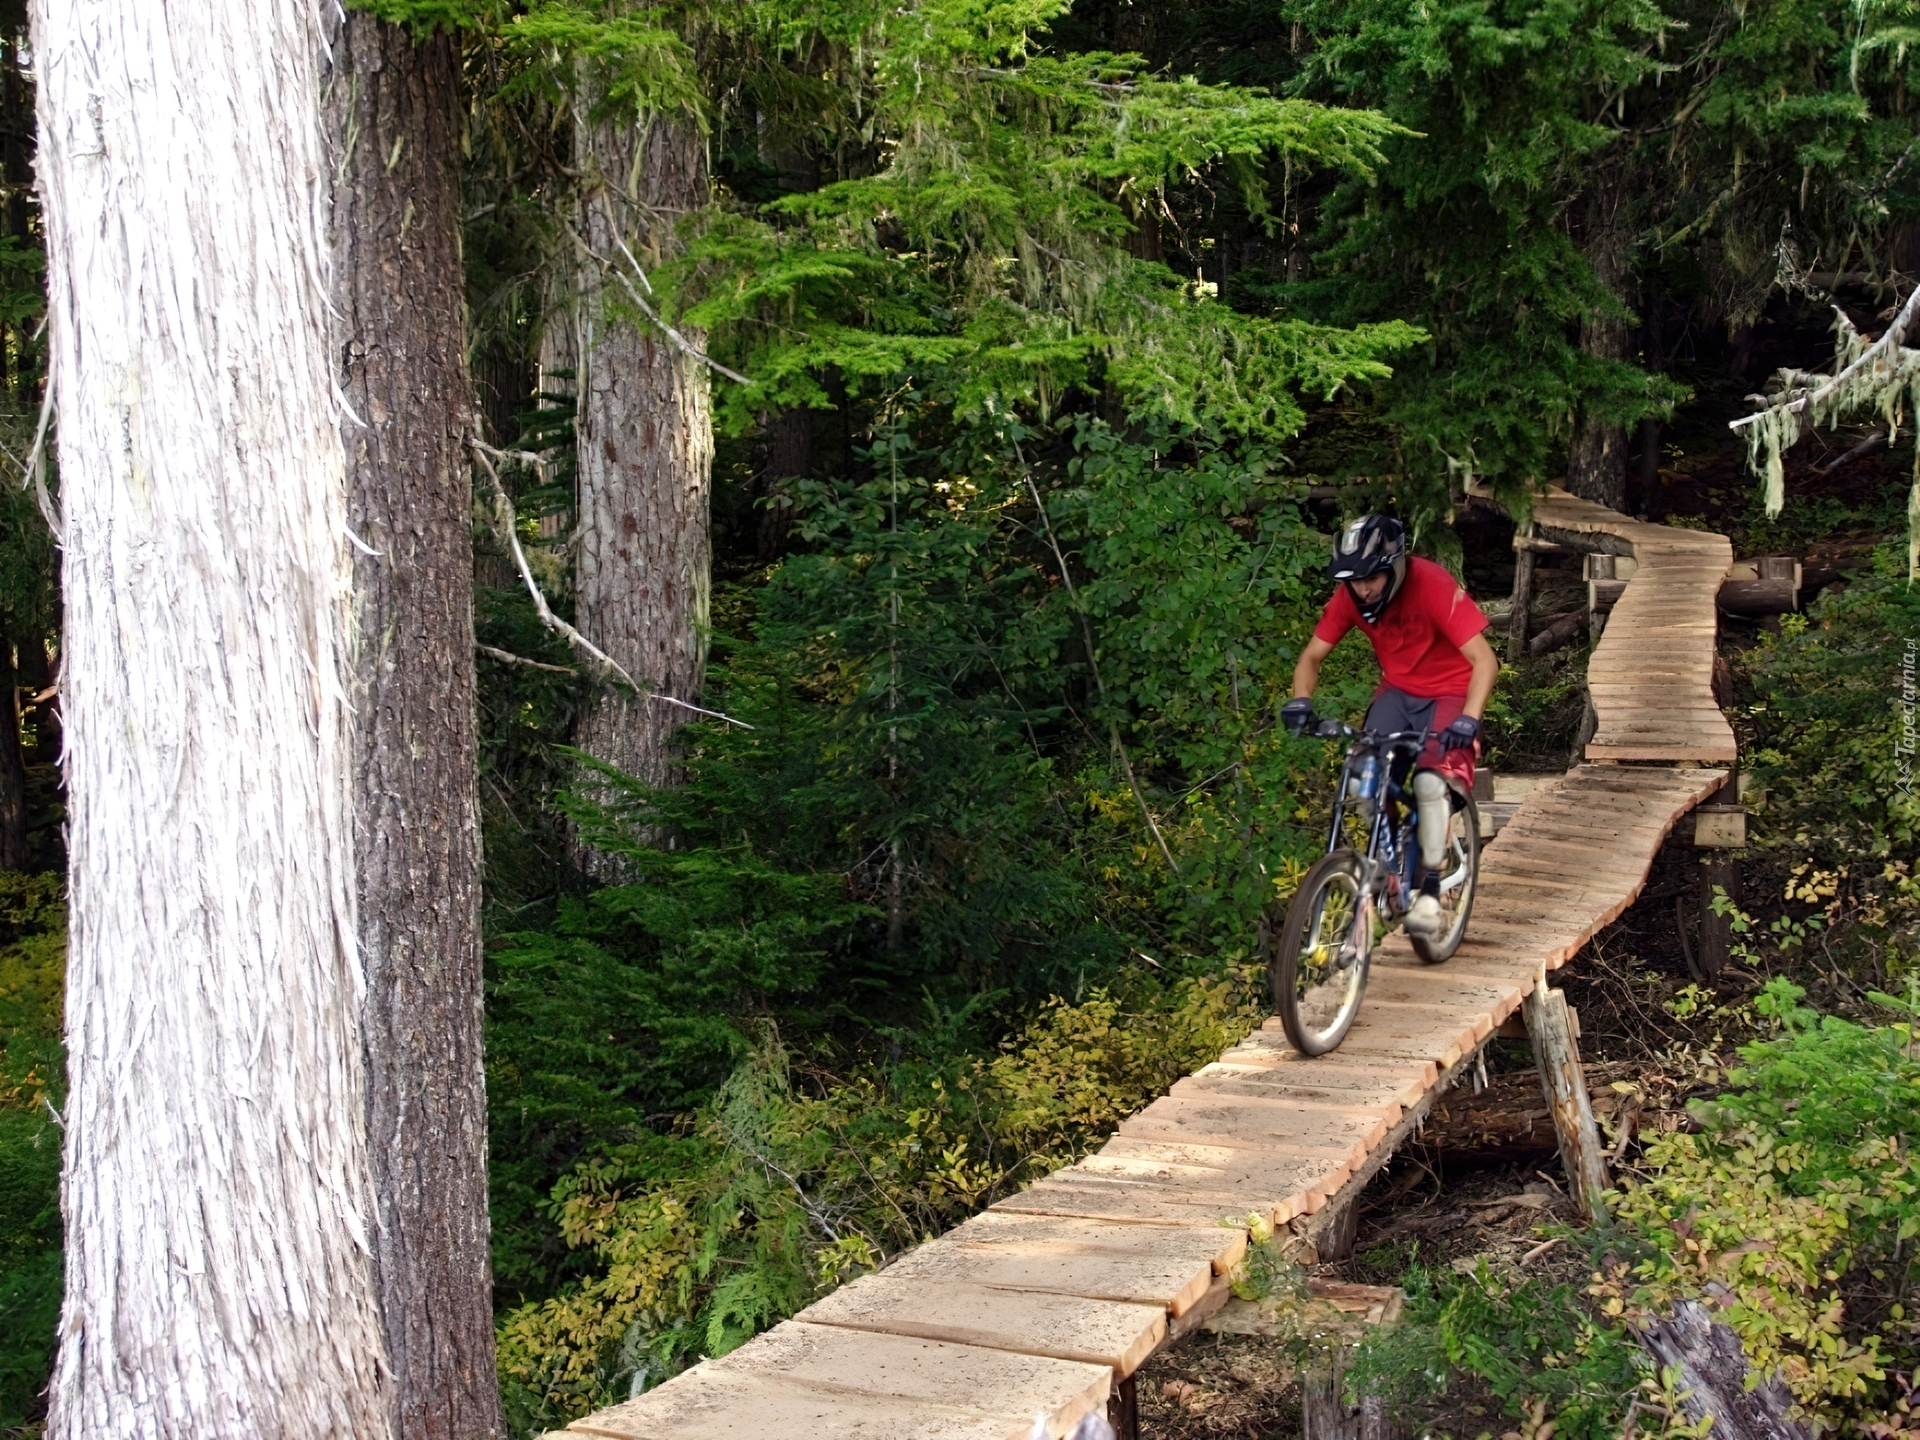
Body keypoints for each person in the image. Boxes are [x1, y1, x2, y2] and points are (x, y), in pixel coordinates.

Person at [1282, 515, 1498, 940]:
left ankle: (1432, 894)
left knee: (1431, 785)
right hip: (1398, 692)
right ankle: (1391, 857)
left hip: (1451, 691)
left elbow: (1485, 660)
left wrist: (1469, 719)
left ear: (1395, 566)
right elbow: (1311, 657)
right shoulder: (1350, 595)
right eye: (1353, 580)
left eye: (1371, 578)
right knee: (1364, 775)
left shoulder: (1431, 584)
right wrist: (1301, 702)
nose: (1363, 589)